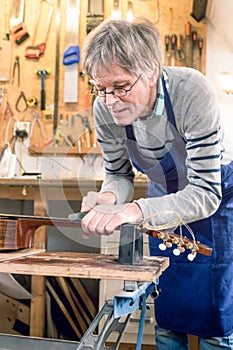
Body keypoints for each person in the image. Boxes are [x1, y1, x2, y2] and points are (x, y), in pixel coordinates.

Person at [74, 17, 233, 349]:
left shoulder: (191, 91)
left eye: (120, 86)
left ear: (152, 71)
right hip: (162, 198)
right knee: (168, 302)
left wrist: (133, 210)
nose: (110, 100)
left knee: (216, 315)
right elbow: (119, 174)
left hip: (215, 197)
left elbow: (204, 193)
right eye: (100, 88)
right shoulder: (105, 108)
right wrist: (108, 197)